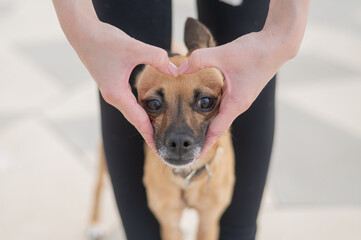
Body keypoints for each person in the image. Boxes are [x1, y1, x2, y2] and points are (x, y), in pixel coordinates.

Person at [52, 0, 310, 239]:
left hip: (214, 172)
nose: (179, 139)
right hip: (159, 177)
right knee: (124, 52)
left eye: (205, 103)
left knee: (247, 55)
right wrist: (78, 24)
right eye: (154, 104)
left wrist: (285, 32)